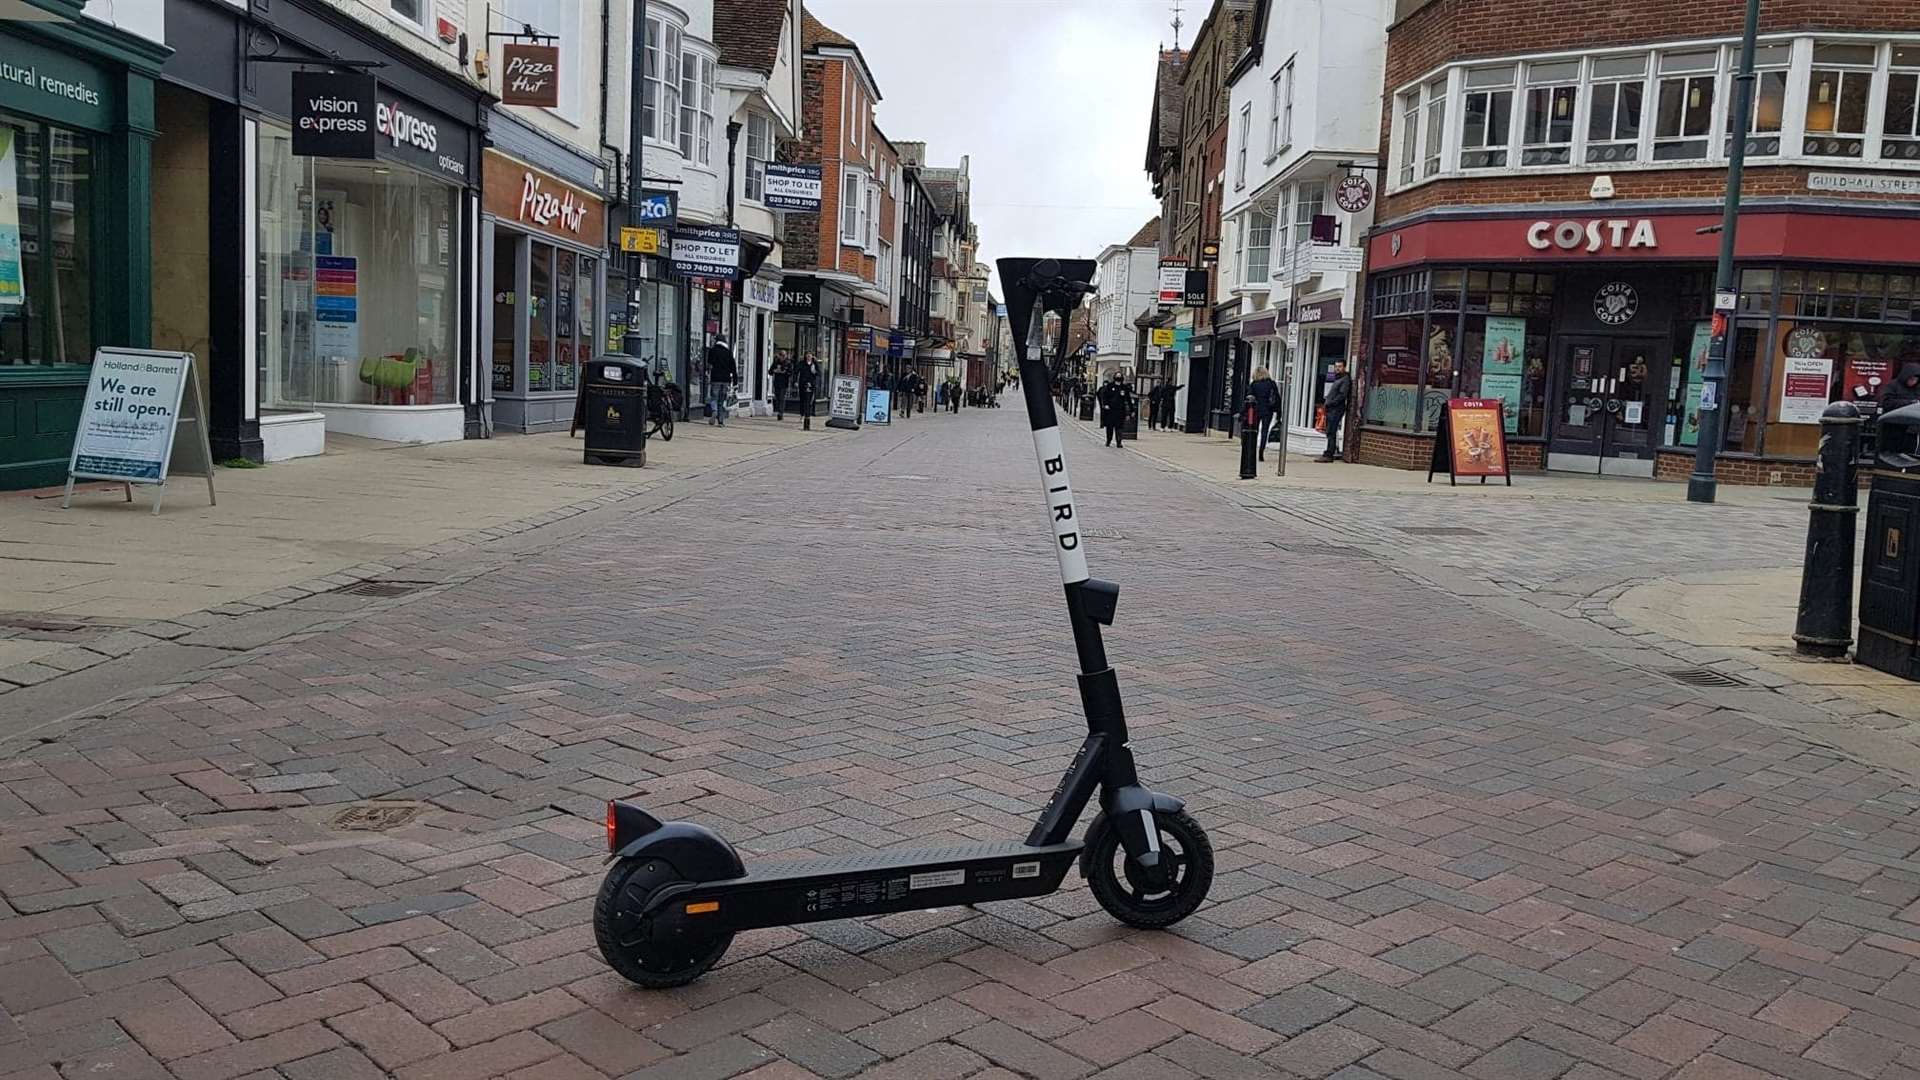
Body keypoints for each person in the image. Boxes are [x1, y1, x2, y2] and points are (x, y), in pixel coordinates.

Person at [1317, 360, 1352, 462]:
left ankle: (1329, 454)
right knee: (1330, 431)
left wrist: (1331, 402)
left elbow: (1342, 395)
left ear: (1344, 367)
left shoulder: (1345, 379)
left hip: (1336, 409)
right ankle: (1331, 450)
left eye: (1340, 367)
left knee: (1331, 431)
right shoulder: (1338, 378)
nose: (1337, 369)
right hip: (1331, 408)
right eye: (1336, 367)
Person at [1249, 366, 1282, 460]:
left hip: (1256, 410)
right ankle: (1261, 452)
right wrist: (1279, 413)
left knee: (1253, 431)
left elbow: (1249, 398)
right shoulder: (1271, 384)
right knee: (1264, 431)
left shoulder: (1254, 384)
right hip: (1268, 410)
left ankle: (1252, 450)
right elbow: (1277, 398)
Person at [705, 337, 737, 426]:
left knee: (714, 397)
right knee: (722, 400)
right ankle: (721, 420)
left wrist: (708, 373)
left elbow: (709, 364)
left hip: (715, 378)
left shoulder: (713, 350)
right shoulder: (728, 352)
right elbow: (733, 368)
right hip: (726, 379)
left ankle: (714, 410)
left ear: (716, 341)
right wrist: (735, 382)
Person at [1098, 374, 1130, 448]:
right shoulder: (1109, 386)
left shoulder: (1124, 388)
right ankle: (1108, 440)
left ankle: (1119, 442)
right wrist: (1105, 404)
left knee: (1119, 427)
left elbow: (1128, 399)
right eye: (1117, 376)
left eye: (1120, 376)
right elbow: (1104, 396)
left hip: (1120, 411)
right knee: (1110, 427)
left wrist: (1131, 410)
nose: (1118, 377)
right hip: (1110, 410)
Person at [795, 353, 821, 430]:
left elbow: (819, 373)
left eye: (810, 356)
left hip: (811, 384)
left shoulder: (814, 364)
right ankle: (802, 414)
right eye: (807, 355)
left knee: (808, 401)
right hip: (802, 383)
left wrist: (814, 372)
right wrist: (796, 381)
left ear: (812, 357)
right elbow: (796, 371)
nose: (809, 357)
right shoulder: (802, 363)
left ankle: (807, 416)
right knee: (802, 400)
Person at [769, 351, 793, 421]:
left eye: (784, 355)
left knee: (782, 398)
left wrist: (785, 372)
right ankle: (779, 411)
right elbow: (770, 372)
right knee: (777, 398)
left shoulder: (788, 363)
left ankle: (780, 413)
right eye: (781, 355)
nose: (782, 357)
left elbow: (790, 373)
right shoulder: (776, 362)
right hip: (777, 382)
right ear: (779, 356)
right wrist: (774, 371)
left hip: (784, 383)